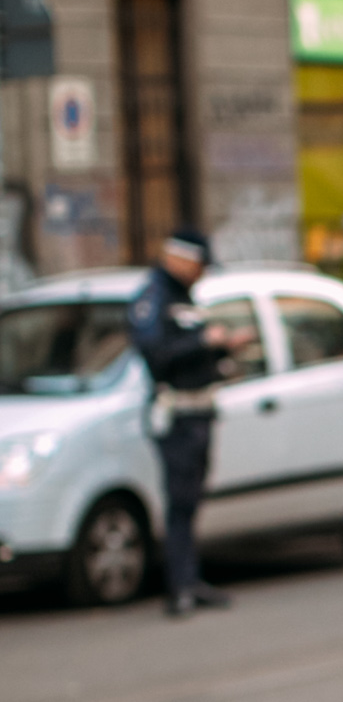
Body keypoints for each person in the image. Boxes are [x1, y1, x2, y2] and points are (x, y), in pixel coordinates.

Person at [127, 226, 253, 617]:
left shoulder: (184, 296)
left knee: (192, 499)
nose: (202, 273)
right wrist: (205, 342)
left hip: (199, 410)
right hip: (177, 414)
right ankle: (179, 586)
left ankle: (190, 579)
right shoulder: (154, 297)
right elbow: (156, 352)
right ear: (179, 258)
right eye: (199, 264)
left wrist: (223, 351)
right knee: (179, 501)